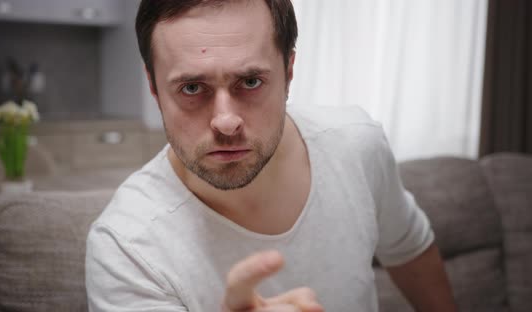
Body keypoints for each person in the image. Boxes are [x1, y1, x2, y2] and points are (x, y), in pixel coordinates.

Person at [85, 0, 458, 311]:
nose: (226, 121)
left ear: (289, 72)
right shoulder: (127, 247)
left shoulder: (357, 146)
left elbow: (410, 248)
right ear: (153, 86)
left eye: (249, 82)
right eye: (192, 87)